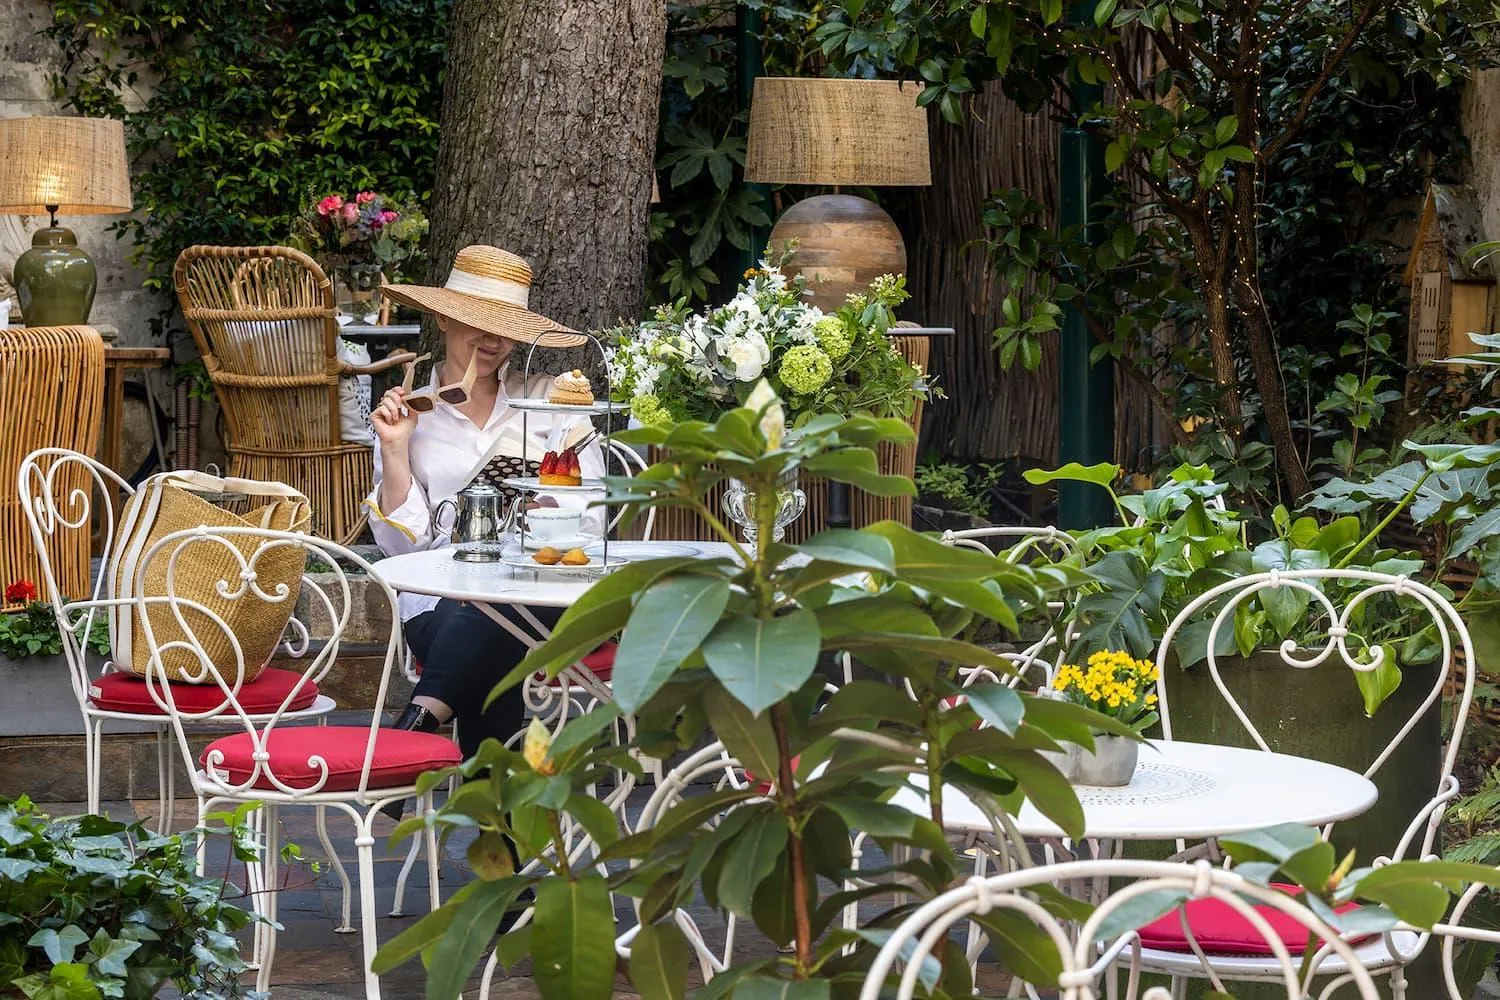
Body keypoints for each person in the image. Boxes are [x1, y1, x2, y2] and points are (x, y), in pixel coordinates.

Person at [365, 244, 605, 764]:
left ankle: (422, 717)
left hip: (542, 594)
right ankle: (499, 836)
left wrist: (540, 507)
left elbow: (591, 519)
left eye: (504, 328)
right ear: (443, 320)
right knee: (483, 626)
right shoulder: (411, 415)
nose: (491, 340)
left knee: (499, 611)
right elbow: (400, 549)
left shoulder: (553, 403)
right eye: (476, 323)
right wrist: (395, 447)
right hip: (439, 603)